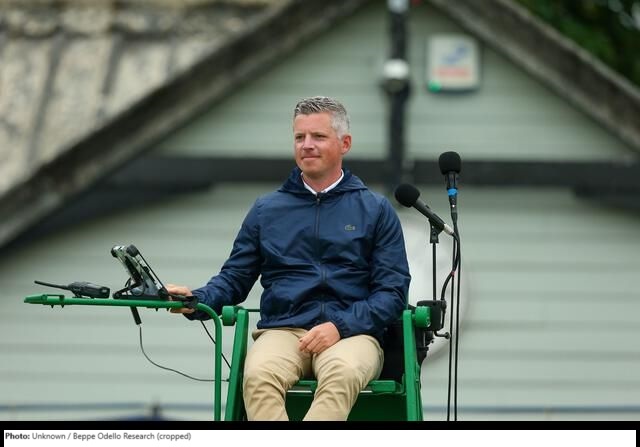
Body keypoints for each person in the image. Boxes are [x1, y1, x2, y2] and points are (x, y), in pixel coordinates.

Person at [167, 96, 410, 421]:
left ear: (345, 143)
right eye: (299, 137)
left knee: (342, 374)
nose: (306, 145)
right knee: (258, 376)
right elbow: (234, 278)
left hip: (353, 334)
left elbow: (392, 293)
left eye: (318, 136)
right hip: (283, 331)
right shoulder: (266, 210)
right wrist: (195, 300)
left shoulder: (376, 210)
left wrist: (340, 326)